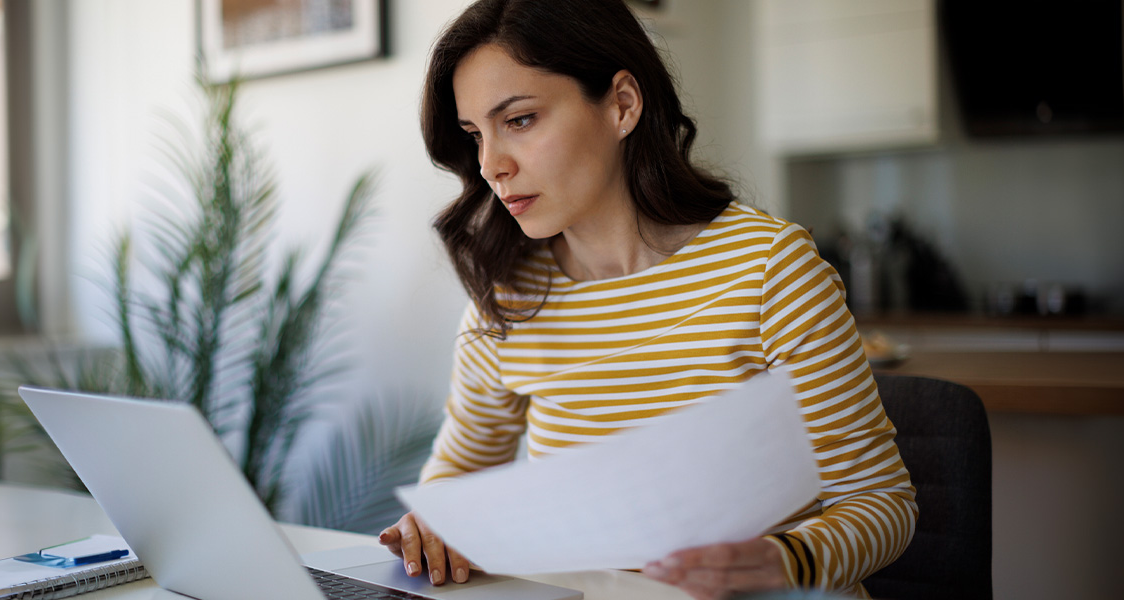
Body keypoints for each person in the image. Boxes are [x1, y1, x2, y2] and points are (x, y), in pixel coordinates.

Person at [377, 0, 917, 597]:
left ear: (622, 104)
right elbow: (453, 484)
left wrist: (783, 559)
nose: (491, 166)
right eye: (476, 135)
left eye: (521, 120)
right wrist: (429, 527)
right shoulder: (507, 300)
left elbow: (882, 502)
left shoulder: (770, 268)